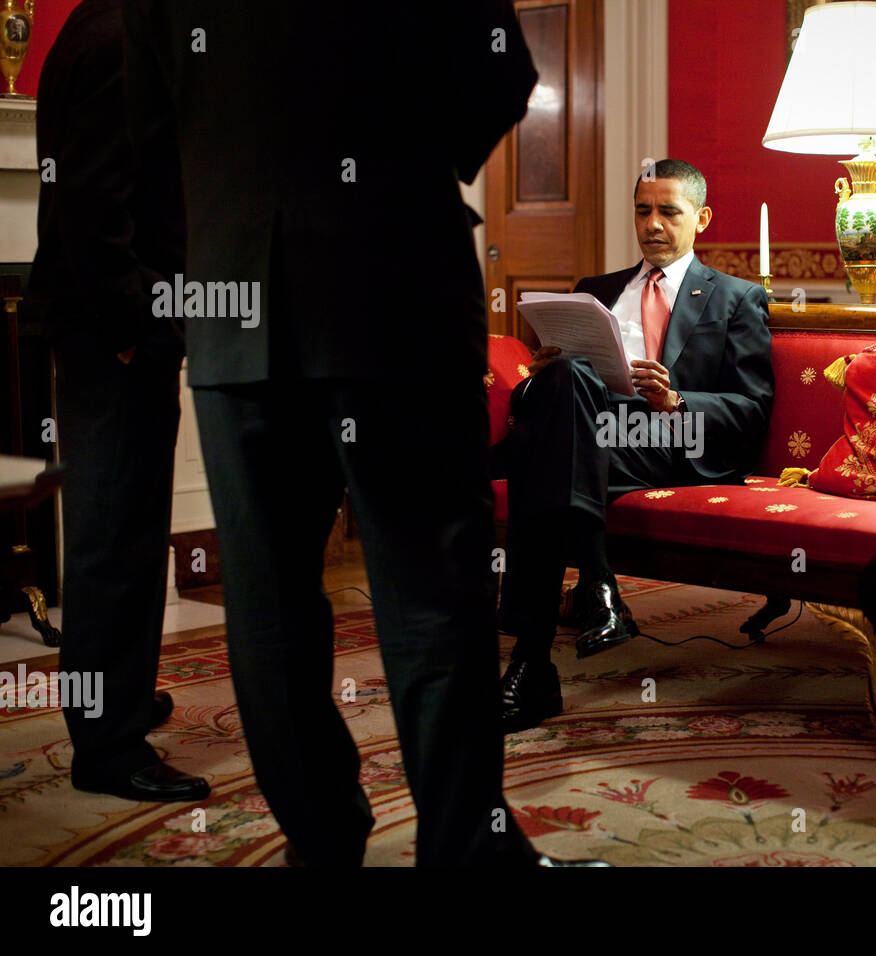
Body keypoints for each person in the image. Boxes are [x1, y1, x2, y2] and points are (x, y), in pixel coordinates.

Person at [123, 1, 549, 865]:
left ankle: (322, 845)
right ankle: (466, 851)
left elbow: (146, 143)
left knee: (268, 606)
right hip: (396, 284)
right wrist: (414, 165)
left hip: (234, 304)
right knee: (433, 594)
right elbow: (501, 69)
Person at [496, 159, 774, 733]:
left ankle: (538, 655)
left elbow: (752, 410)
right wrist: (544, 373)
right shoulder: (594, 293)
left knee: (538, 453)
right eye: (644, 211)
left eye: (669, 212)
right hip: (595, 439)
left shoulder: (737, 299)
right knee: (565, 390)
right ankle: (590, 597)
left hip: (673, 438)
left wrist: (678, 401)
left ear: (702, 218)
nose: (653, 224)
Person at [30, 0, 206, 803]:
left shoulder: (103, 24)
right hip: (115, 335)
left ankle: (121, 702)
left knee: (127, 530)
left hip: (121, 328)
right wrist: (134, 324)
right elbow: (92, 206)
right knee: (112, 538)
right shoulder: (119, 37)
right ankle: (107, 748)